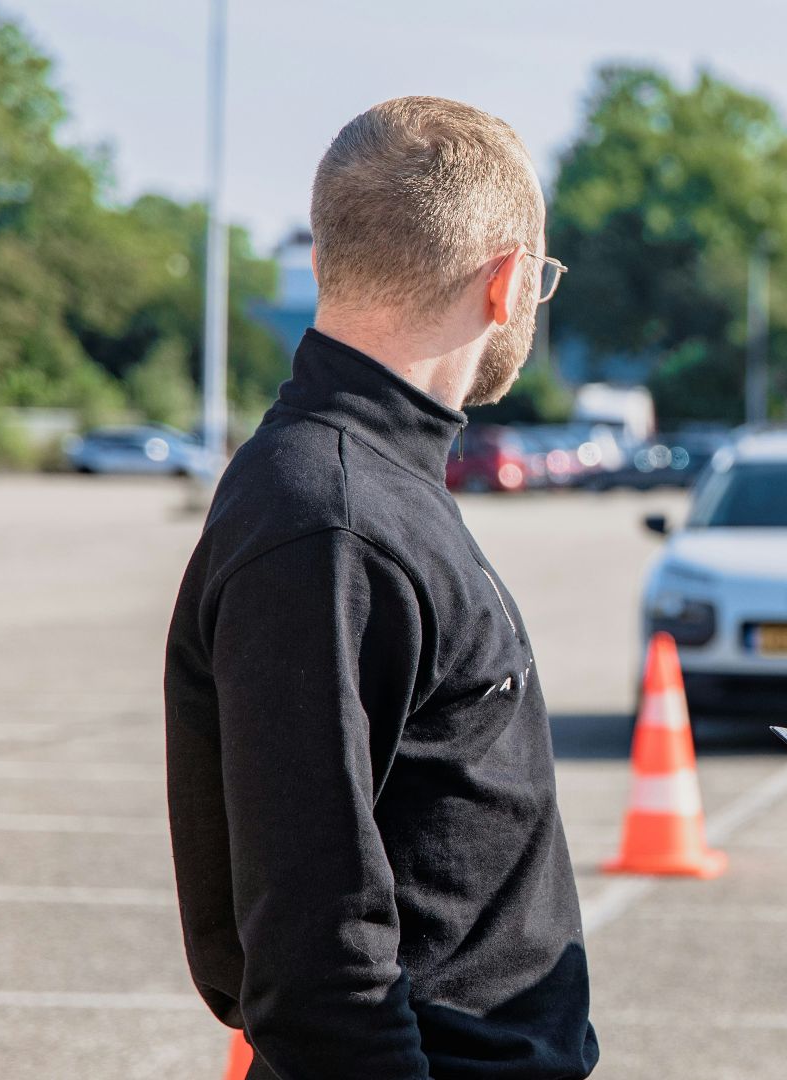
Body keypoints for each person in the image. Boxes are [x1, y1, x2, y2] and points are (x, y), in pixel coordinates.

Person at [163, 97, 595, 1080]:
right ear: (507, 282)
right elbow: (317, 963)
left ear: (324, 263)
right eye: (544, 280)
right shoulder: (330, 518)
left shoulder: (366, 487)